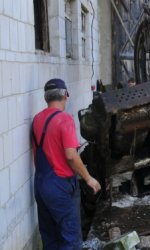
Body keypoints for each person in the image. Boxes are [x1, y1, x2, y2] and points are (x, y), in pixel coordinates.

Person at [32, 78, 101, 249]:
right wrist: (88, 178)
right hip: (60, 186)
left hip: (40, 184)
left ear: (45, 98)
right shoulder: (65, 119)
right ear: (65, 95)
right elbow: (70, 156)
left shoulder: (37, 119)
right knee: (70, 239)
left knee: (50, 238)